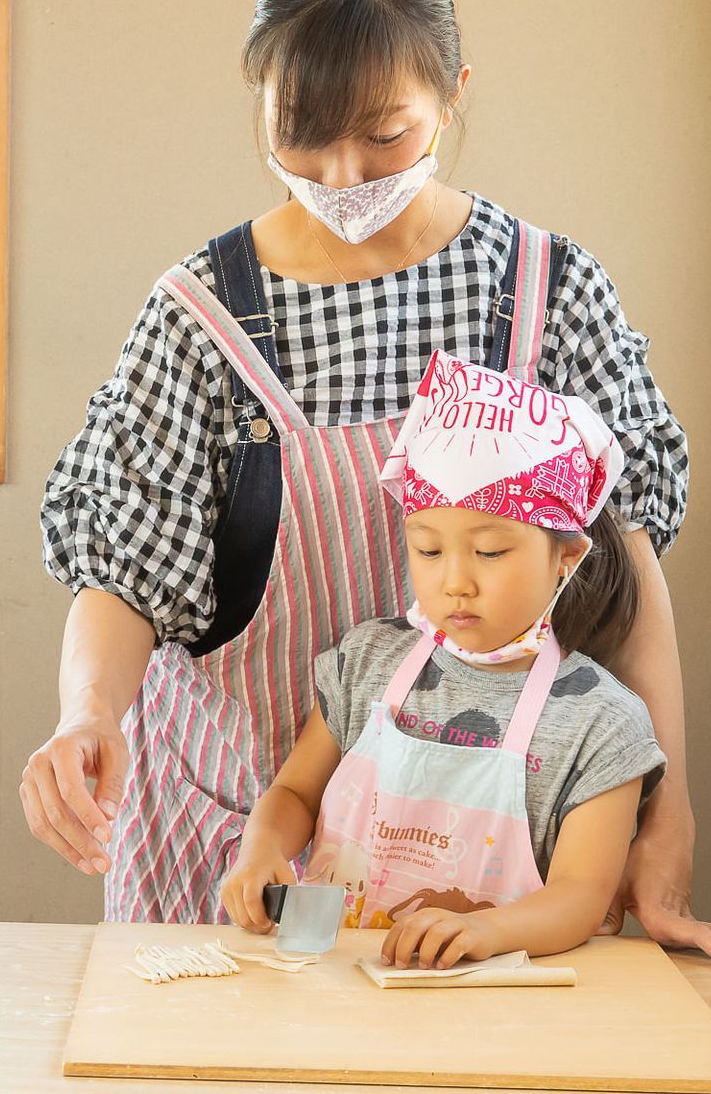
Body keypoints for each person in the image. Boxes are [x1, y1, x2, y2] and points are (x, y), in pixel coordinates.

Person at [27, 0, 711, 969]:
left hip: (488, 870)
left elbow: (626, 566)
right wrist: (86, 711)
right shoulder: (201, 316)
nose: (341, 174)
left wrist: (668, 809)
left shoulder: (547, 294)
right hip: (241, 828)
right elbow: (125, 567)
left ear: (453, 92)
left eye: (383, 133)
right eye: (302, 131)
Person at [221, 352, 661, 967]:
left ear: (566, 556)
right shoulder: (366, 663)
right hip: (342, 985)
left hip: (492, 997)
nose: (455, 582)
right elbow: (295, 792)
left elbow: (581, 897)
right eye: (429, 550)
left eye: (490, 552)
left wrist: (485, 932)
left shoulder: (602, 723)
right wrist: (263, 846)